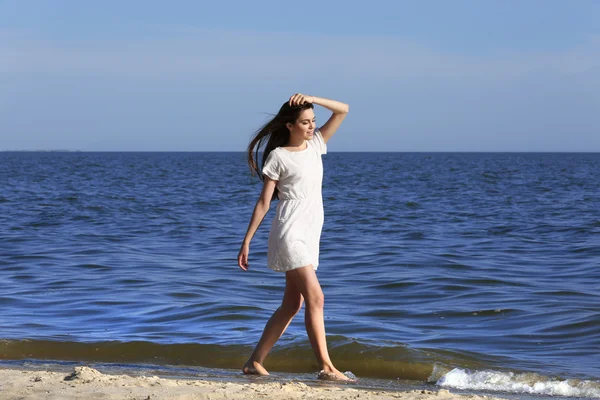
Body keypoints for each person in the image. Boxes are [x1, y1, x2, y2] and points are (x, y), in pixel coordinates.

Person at [237, 93, 352, 381]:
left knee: (293, 304)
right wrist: (247, 240)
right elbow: (264, 202)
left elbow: (343, 110)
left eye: (313, 121)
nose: (312, 126)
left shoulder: (316, 145)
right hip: (290, 231)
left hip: (311, 231)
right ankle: (326, 367)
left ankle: (254, 362)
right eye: (305, 122)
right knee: (316, 297)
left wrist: (312, 98)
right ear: (290, 126)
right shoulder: (279, 157)